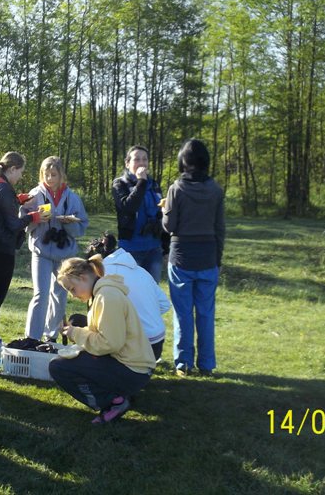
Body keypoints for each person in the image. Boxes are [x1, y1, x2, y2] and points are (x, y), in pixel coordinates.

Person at [49, 256, 155, 425]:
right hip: (133, 364)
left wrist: (76, 334)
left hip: (134, 371)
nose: (73, 295)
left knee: (59, 366)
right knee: (76, 324)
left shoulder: (107, 297)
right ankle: (117, 394)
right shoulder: (101, 292)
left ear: (83, 278)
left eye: (72, 289)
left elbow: (110, 343)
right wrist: (76, 332)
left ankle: (114, 402)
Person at [162, 139, 225, 378]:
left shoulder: (176, 188)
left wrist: (164, 211)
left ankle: (184, 363)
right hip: (208, 256)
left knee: (183, 314)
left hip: (181, 257)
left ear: (183, 161)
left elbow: (169, 226)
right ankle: (207, 364)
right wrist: (218, 259)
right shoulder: (216, 190)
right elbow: (220, 228)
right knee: (206, 314)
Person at [0, 152, 50, 357]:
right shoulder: (4, 189)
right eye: (20, 172)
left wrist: (18, 201)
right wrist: (33, 216)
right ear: (12, 169)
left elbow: (0, 210)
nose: (20, 176)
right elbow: (13, 225)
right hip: (1, 249)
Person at [23, 156, 89, 342]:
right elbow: (23, 222)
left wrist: (69, 223)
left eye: (54, 175)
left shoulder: (72, 197)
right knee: (41, 294)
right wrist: (36, 218)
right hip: (41, 252)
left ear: (61, 176)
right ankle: (32, 338)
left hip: (64, 254)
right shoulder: (35, 195)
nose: (50, 178)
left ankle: (51, 336)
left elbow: (82, 227)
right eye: (46, 175)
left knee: (60, 294)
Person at [86, 232, 170, 361]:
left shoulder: (103, 277)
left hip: (136, 346)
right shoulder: (141, 271)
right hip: (157, 343)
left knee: (81, 324)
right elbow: (165, 304)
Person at [112, 145, 165, 283]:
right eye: (137, 159)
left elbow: (160, 213)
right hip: (131, 248)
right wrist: (141, 181)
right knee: (132, 290)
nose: (142, 163)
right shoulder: (120, 184)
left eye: (145, 159)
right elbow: (128, 207)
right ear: (127, 163)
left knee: (152, 290)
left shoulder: (154, 185)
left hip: (154, 248)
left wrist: (165, 245)